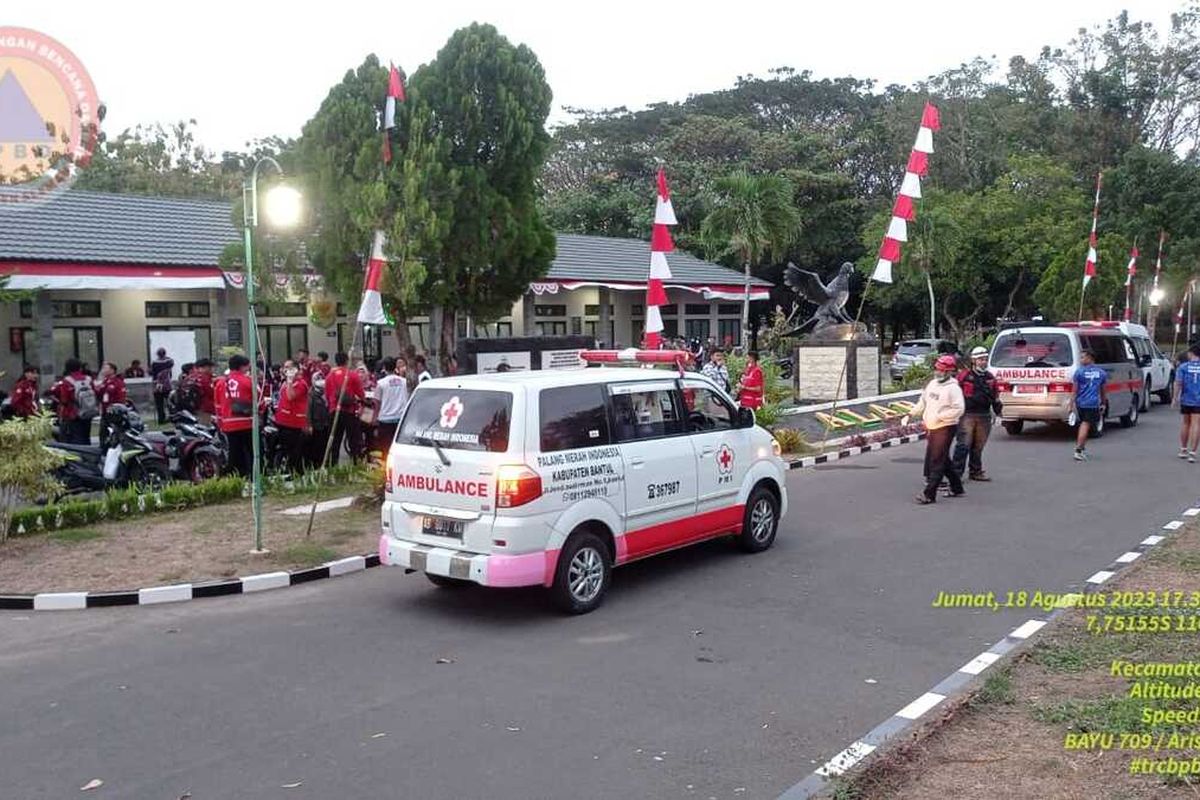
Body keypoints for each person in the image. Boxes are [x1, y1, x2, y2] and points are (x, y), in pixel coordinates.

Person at [909, 355, 966, 504]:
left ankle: (929, 494)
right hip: (932, 426)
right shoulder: (932, 384)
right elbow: (923, 401)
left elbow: (959, 409)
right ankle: (957, 487)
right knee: (942, 458)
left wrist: (941, 416)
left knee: (937, 459)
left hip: (945, 427)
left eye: (942, 370)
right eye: (937, 369)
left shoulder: (953, 389)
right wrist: (911, 413)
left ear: (949, 372)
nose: (938, 373)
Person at [951, 346, 1002, 482]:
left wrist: (999, 414)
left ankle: (976, 471)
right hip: (967, 415)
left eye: (985, 359)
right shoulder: (964, 376)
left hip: (984, 415)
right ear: (973, 360)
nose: (983, 362)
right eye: (980, 359)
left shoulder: (990, 378)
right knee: (963, 446)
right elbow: (954, 393)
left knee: (978, 447)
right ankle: (956, 474)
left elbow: (996, 397)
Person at [214, 354, 254, 476]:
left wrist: (220, 422)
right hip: (247, 422)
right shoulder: (249, 381)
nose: (248, 369)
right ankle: (252, 475)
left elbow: (218, 406)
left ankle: (237, 476)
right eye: (247, 367)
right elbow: (259, 400)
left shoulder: (220, 383)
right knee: (251, 452)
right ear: (241, 367)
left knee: (235, 452)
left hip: (229, 424)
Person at [1069, 349, 1108, 462]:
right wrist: (1103, 403)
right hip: (1092, 403)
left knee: (1084, 424)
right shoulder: (1101, 373)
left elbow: (1074, 391)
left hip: (1080, 403)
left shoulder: (1079, 372)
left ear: (1090, 358)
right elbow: (1103, 391)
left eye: (1083, 357)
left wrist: (1071, 404)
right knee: (1085, 425)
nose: (1081, 359)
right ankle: (1079, 450)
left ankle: (1082, 447)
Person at [325, 352, 365, 464]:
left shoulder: (329, 376)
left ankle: (333, 465)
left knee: (335, 440)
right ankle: (356, 464)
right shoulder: (352, 375)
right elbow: (361, 394)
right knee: (354, 440)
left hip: (334, 410)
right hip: (349, 411)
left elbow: (327, 395)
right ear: (347, 361)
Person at [51, 358, 98, 444]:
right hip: (88, 412)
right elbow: (95, 393)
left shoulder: (67, 381)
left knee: (75, 439)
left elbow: (64, 399)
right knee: (86, 437)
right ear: (80, 367)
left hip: (73, 414)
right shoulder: (88, 379)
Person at [274, 359, 309, 474]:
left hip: (294, 422)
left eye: (289, 368)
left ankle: (295, 472)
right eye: (285, 367)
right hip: (282, 420)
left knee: (294, 450)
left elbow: (290, 396)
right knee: (285, 448)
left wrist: (289, 380)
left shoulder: (301, 383)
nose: (286, 370)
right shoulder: (285, 382)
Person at [374, 357, 410, 460]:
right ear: (395, 366)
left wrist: (375, 418)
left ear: (384, 367)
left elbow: (377, 402)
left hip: (385, 419)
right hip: (400, 419)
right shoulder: (404, 381)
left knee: (385, 448)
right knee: (399, 448)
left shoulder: (381, 383)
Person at [1173, 347, 1200, 462]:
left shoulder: (1183, 367)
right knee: (1196, 424)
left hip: (1186, 399)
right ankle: (1192, 453)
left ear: (1191, 353)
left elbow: (1178, 383)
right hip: (1198, 400)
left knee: (1186, 423)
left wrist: (1175, 398)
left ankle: (1183, 449)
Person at [94, 362, 128, 442]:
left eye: (106, 368)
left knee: (114, 433)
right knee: (103, 433)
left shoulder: (118, 382)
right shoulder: (105, 382)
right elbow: (100, 394)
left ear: (112, 370)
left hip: (114, 413)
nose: (103, 370)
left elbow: (121, 398)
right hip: (105, 412)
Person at [150, 348, 174, 424]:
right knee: (170, 402)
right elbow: (171, 364)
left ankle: (161, 419)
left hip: (157, 384)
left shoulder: (154, 363)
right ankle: (172, 417)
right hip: (167, 384)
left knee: (159, 404)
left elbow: (152, 372)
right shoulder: (169, 361)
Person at [188, 358, 216, 425]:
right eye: (210, 367)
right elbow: (211, 393)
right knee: (205, 428)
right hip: (205, 408)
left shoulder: (190, 377)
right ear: (205, 367)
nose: (212, 369)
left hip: (192, 408)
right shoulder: (204, 378)